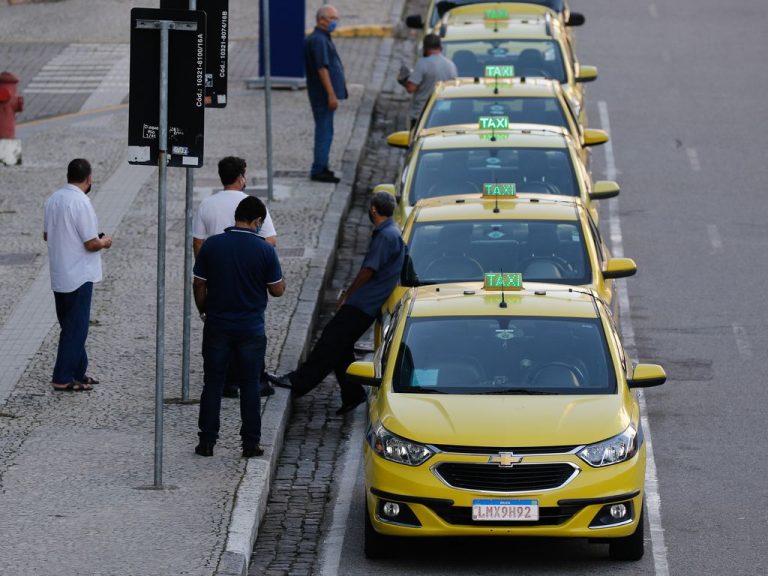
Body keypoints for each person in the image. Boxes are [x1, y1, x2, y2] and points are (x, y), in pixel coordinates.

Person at [267, 192, 406, 415]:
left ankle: (299, 381)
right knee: (341, 347)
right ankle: (353, 394)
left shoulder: (386, 236)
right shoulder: (392, 232)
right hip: (368, 304)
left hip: (362, 304)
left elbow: (368, 270)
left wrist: (347, 295)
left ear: (373, 209)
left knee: (329, 342)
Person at [193, 196, 285, 458]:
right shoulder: (265, 250)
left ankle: (207, 441)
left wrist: (203, 309)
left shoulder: (213, 245)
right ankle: (250, 444)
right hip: (250, 328)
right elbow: (277, 290)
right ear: (257, 221)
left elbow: (198, 283)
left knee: (213, 382)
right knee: (250, 385)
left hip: (217, 325)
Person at [193, 156, 277, 399]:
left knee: (220, 330)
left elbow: (198, 243)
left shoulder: (207, 204)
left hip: (218, 276)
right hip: (249, 275)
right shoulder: (251, 204)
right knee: (251, 328)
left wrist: (208, 268)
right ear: (241, 177)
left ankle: (228, 382)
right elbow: (271, 241)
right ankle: (256, 379)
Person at [43, 158, 113, 391]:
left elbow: (47, 235)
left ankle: (78, 372)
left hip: (59, 272)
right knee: (76, 329)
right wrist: (104, 242)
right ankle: (62, 377)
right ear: (89, 178)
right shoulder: (81, 203)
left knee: (70, 325)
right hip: (79, 274)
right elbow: (91, 243)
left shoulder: (53, 199)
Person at [305, 4, 348, 183]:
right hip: (322, 95)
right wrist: (331, 94)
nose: (335, 22)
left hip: (322, 94)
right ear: (321, 20)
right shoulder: (319, 40)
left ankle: (323, 166)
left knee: (327, 130)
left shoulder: (322, 38)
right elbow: (322, 69)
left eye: (335, 18)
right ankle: (319, 169)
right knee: (324, 131)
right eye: (332, 18)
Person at [399, 34, 458, 129]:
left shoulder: (422, 63)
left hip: (422, 114)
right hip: (445, 112)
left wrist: (404, 80)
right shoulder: (451, 65)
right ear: (440, 47)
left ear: (425, 48)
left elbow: (411, 88)